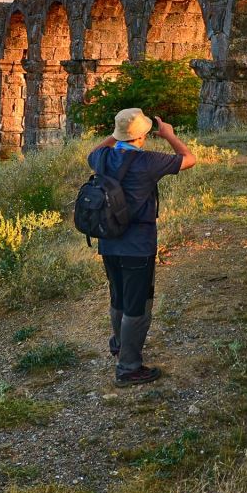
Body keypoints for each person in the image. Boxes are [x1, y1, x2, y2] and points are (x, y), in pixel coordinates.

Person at [86, 106, 195, 385]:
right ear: (143, 135)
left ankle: (120, 343)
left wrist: (114, 137)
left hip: (108, 241)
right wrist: (169, 135)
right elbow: (188, 159)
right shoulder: (148, 161)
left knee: (118, 296)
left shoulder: (102, 156)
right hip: (138, 245)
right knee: (138, 305)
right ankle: (128, 367)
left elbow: (93, 153)